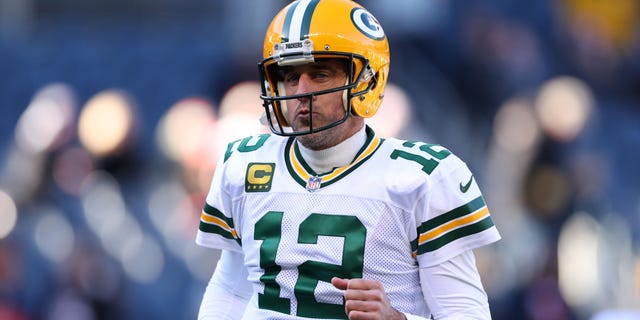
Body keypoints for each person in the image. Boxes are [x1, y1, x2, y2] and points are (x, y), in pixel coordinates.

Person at [196, 0, 501, 319]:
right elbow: (232, 288)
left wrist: (397, 318)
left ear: (366, 81)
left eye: (320, 74)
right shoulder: (244, 163)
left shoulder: (425, 177)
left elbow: (466, 313)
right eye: (290, 76)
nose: (301, 91)